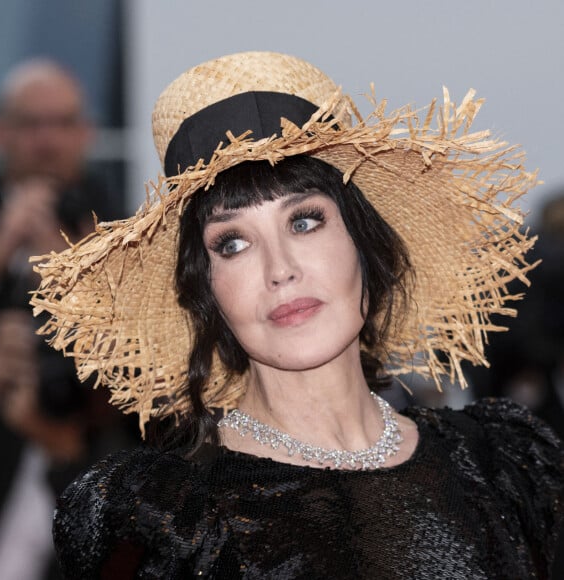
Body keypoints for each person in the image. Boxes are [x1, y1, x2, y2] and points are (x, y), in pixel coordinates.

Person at [31, 52, 564, 578]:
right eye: (233, 243)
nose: (279, 270)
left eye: (305, 222)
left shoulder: (502, 466)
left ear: (363, 242)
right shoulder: (164, 523)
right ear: (205, 289)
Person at [0, 59, 133, 580]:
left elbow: (141, 360)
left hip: (84, 456)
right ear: (0, 132)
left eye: (63, 123)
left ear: (86, 133)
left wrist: (66, 274)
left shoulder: (118, 223)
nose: (48, 140)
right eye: (31, 124)